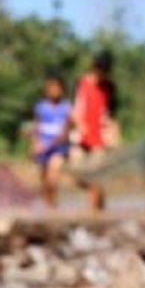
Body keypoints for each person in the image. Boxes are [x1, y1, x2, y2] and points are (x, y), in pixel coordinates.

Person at [73, 51, 119, 213]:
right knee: (78, 175)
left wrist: (115, 136)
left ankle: (95, 213)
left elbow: (112, 115)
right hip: (82, 136)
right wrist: (78, 123)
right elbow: (76, 108)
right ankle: (99, 207)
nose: (102, 73)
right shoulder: (81, 83)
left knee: (96, 178)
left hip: (100, 138)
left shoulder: (110, 88)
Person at [31, 75, 73, 209]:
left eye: (57, 88)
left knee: (53, 178)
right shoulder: (40, 107)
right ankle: (48, 207)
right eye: (51, 88)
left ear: (62, 90)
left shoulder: (67, 108)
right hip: (42, 147)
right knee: (44, 181)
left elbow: (66, 133)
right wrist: (35, 144)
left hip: (58, 148)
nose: (54, 91)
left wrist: (48, 145)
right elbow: (37, 127)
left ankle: (54, 206)